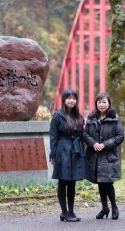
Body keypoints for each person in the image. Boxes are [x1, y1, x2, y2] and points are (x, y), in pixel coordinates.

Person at [83, 92, 125, 220]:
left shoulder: (115, 119)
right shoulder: (91, 119)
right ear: (96, 104)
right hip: (95, 156)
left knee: (108, 183)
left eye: (104, 102)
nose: (102, 104)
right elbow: (85, 135)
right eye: (99, 102)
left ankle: (114, 207)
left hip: (108, 156)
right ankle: (104, 208)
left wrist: (104, 145)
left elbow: (120, 136)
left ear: (109, 104)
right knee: (100, 183)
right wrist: (93, 143)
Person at [49, 89, 88, 222]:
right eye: (68, 98)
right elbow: (53, 137)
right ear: (64, 100)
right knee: (63, 181)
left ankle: (71, 211)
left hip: (76, 151)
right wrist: (53, 155)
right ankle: (64, 212)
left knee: (72, 182)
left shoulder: (79, 116)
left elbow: (83, 135)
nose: (71, 100)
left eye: (73, 98)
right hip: (63, 150)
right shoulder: (58, 116)